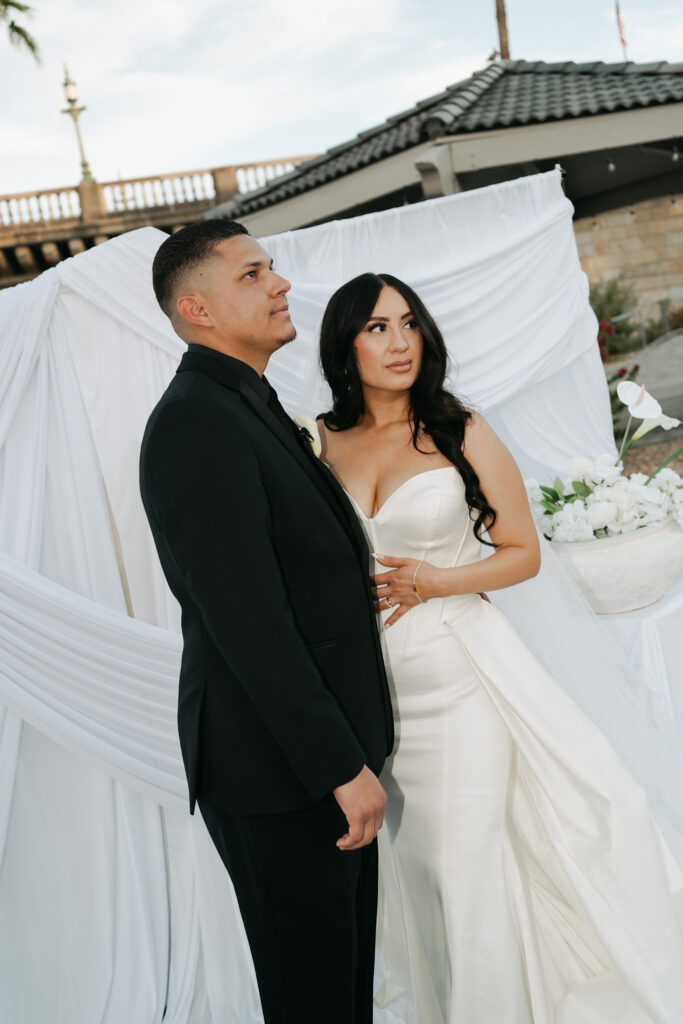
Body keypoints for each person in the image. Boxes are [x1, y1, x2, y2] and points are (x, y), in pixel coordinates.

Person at [315, 272, 683, 1024]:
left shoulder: (459, 427)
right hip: (370, 689)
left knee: (466, 860)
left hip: (460, 674)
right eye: (377, 327)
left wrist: (437, 580)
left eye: (409, 324)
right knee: (419, 872)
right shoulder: (316, 440)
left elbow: (522, 553)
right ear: (344, 344)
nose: (398, 342)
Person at [138, 220, 393, 1024]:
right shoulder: (196, 423)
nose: (280, 284)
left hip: (314, 760)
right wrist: (336, 768)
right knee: (313, 996)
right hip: (280, 771)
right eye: (252, 274)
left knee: (342, 986)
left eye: (272, 268)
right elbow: (249, 622)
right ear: (197, 309)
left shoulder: (246, 404)